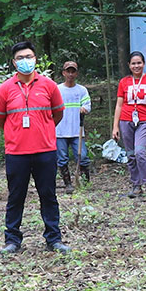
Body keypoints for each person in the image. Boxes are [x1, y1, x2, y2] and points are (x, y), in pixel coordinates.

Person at [0, 41, 67, 254]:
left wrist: (44, 129)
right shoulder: (5, 89)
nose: (26, 61)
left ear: (36, 59)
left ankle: (54, 239)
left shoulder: (48, 85)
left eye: (29, 57)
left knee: (48, 195)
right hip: (16, 153)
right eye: (21, 58)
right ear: (14, 63)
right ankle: (12, 240)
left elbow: (57, 114)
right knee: (16, 196)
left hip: (45, 150)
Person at [112, 51, 146, 199]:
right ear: (129, 65)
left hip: (145, 121)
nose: (136, 66)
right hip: (126, 120)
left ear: (144, 64)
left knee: (140, 152)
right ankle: (136, 185)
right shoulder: (124, 82)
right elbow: (119, 106)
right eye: (133, 63)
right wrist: (115, 126)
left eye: (139, 63)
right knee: (131, 154)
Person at [55, 60, 93, 192]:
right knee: (62, 158)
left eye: (73, 71)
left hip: (77, 130)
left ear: (76, 73)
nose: (70, 74)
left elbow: (87, 105)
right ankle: (68, 184)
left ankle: (84, 182)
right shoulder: (57, 89)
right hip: (60, 131)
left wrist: (84, 109)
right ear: (63, 73)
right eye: (68, 71)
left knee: (82, 157)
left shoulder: (81, 90)